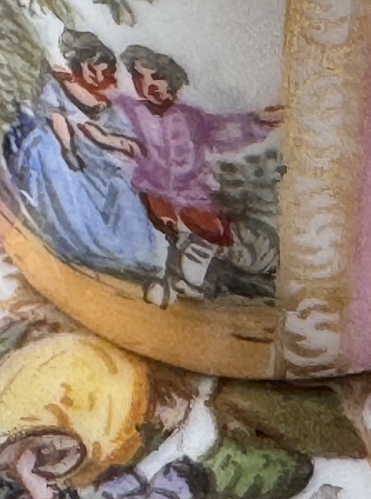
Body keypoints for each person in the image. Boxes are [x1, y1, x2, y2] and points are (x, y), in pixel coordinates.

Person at [116, 46, 280, 305]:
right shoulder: (130, 111)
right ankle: (160, 278)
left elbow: (224, 130)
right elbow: (103, 119)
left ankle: (190, 283)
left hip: (193, 196)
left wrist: (258, 121)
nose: (150, 86)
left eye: (157, 77)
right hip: (152, 190)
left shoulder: (191, 118)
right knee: (161, 233)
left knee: (209, 233)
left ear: (172, 79)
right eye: (140, 78)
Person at [1, 31, 165, 279]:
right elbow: (61, 123)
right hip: (64, 144)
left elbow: (99, 127)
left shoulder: (106, 92)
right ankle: (86, 247)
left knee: (120, 188)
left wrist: (118, 143)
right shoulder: (56, 88)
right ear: (79, 67)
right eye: (92, 70)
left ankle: (135, 256)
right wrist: (68, 149)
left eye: (103, 70)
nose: (99, 76)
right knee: (63, 174)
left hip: (96, 149)